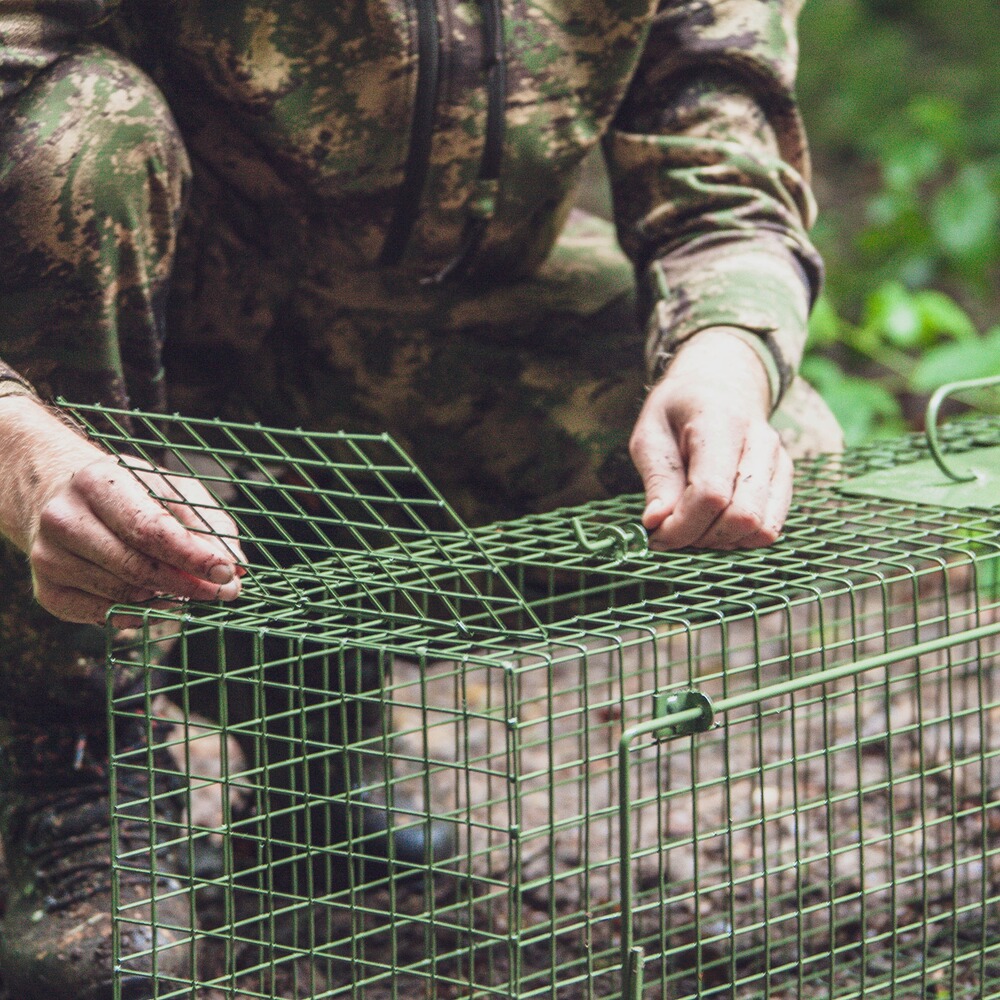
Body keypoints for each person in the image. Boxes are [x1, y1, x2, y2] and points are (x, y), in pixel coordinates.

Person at [0, 2, 843, 997]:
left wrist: (726, 355)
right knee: (82, 124)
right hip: (101, 321)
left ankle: (297, 701)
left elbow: (721, 148)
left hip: (415, 319)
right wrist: (22, 453)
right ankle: (61, 754)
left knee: (781, 456)